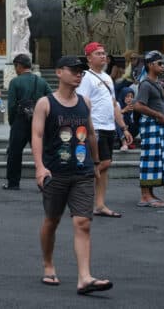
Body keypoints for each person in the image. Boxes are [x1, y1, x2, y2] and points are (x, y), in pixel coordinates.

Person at [31, 55, 111, 295]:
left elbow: (92, 134)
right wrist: (39, 167)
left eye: (81, 71)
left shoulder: (84, 102)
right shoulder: (45, 103)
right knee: (52, 221)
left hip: (82, 171)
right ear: (58, 72)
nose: (79, 74)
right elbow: (36, 136)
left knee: (82, 222)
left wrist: (95, 162)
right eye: (74, 70)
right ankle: (48, 264)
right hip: (55, 172)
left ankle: (84, 277)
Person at [75, 42, 132, 217]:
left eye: (103, 53)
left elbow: (114, 104)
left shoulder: (107, 78)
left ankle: (99, 204)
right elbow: (82, 103)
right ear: (89, 58)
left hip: (108, 128)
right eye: (98, 53)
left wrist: (123, 128)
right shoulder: (86, 77)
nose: (102, 56)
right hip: (95, 128)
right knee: (100, 164)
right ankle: (77, 192)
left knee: (105, 166)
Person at [4, 53, 51, 190]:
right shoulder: (41, 81)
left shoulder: (15, 82)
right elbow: (50, 99)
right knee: (41, 152)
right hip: (38, 120)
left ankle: (13, 183)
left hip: (20, 120)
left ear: (18, 66)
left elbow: (11, 105)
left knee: (15, 152)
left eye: (15, 66)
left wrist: (12, 122)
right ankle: (45, 180)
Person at [134, 50, 164, 208]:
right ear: (150, 65)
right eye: (159, 63)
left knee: (156, 159)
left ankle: (151, 194)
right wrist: (158, 115)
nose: (163, 66)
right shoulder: (146, 84)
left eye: (163, 63)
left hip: (158, 126)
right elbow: (138, 105)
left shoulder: (156, 83)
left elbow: (159, 104)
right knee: (149, 159)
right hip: (150, 126)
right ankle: (144, 196)